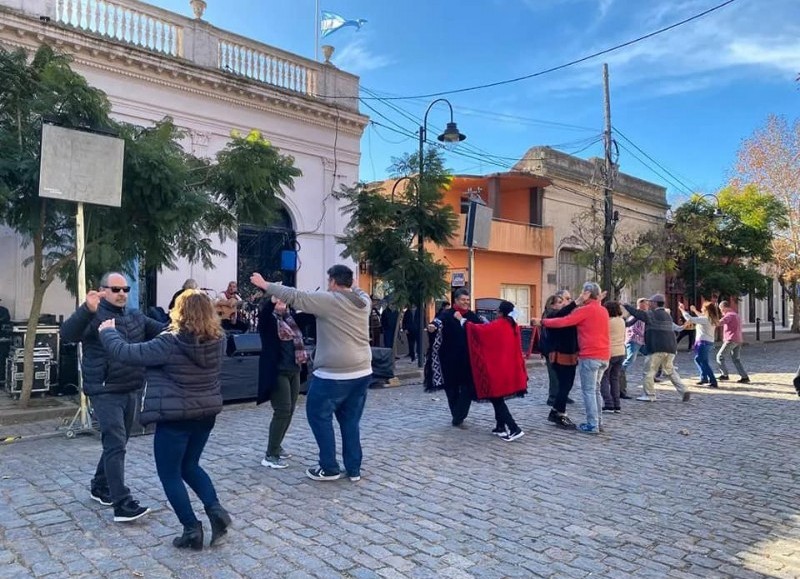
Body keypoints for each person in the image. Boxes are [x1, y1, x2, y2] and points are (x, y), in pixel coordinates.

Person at [98, 290, 230, 550]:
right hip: (205, 415)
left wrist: (107, 332)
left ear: (178, 312)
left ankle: (191, 528)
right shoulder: (219, 339)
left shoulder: (170, 342)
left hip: (175, 418)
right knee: (190, 465)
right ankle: (216, 512)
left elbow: (126, 353)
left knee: (169, 473)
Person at [250, 265, 372, 482]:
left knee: (318, 416)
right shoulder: (364, 301)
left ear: (333, 282)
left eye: (329, 281)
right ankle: (353, 469)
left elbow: (296, 295)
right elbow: (359, 290)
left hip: (334, 373)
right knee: (351, 421)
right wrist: (352, 285)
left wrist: (265, 285)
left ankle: (329, 467)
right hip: (362, 371)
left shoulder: (330, 300)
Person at [60, 272, 164, 522]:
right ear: (103, 290)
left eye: (125, 289)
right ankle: (122, 503)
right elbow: (68, 334)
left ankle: (99, 485)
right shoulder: (93, 314)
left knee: (118, 442)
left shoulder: (135, 315)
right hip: (104, 390)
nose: (121, 294)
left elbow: (162, 331)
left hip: (131, 387)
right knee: (116, 442)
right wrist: (86, 308)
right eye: (115, 289)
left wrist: (189, 322)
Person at [535, 282, 610, 434]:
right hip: (600, 355)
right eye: (565, 299)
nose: (570, 301)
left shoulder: (585, 310)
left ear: (587, 294)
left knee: (588, 391)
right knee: (591, 390)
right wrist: (593, 300)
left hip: (589, 355)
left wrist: (541, 322)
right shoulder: (601, 310)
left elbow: (565, 321)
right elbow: (562, 319)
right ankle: (595, 422)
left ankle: (592, 424)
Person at [256, 296, 307, 469]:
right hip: (278, 371)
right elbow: (264, 316)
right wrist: (271, 299)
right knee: (282, 410)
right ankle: (270, 454)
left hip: (294, 369)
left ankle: (277, 446)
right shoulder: (269, 322)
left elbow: (310, 315)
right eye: (278, 302)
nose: (281, 304)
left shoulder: (291, 319)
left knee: (290, 410)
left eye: (283, 301)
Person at [465, 300, 528, 441]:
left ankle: (514, 428)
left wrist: (463, 321)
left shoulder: (500, 324)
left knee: (496, 398)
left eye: (498, 311)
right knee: (497, 398)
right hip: (508, 368)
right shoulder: (512, 325)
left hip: (497, 369)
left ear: (501, 312)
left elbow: (479, 331)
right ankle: (500, 426)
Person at [424, 288, 483, 427]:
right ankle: (456, 416)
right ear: (456, 300)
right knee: (451, 390)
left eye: (467, 300)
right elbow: (437, 322)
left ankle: (459, 414)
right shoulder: (447, 314)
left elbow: (481, 329)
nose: (466, 303)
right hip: (449, 359)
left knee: (468, 388)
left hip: (467, 359)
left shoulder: (472, 316)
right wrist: (433, 327)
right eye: (463, 300)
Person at [623, 294, 690, 402]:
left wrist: (625, 305)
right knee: (670, 371)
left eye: (651, 302)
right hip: (671, 348)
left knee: (648, 372)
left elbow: (637, 313)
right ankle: (683, 390)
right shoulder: (667, 316)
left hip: (656, 347)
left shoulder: (651, 314)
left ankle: (649, 395)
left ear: (655, 303)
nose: (649, 304)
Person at [539, 293, 579, 429]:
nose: (563, 303)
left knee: (566, 385)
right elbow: (562, 314)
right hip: (559, 355)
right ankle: (559, 413)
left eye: (564, 301)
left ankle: (556, 411)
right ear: (552, 305)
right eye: (560, 301)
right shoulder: (551, 315)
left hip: (569, 354)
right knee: (564, 386)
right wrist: (576, 302)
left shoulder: (564, 315)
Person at [679, 301, 721, 388]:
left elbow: (690, 319)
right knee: (699, 360)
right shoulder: (710, 318)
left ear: (706, 310)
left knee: (703, 361)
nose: (701, 309)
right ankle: (704, 378)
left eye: (703, 308)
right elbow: (700, 316)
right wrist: (694, 310)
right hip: (708, 342)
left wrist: (682, 310)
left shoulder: (705, 319)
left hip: (703, 342)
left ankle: (713, 381)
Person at [600, 301, 626, 413]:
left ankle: (608, 403)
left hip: (609, 352)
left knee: (604, 378)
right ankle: (617, 404)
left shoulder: (607, 322)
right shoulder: (621, 320)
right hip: (621, 351)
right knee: (614, 378)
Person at [716, 301, 750, 384]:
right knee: (736, 359)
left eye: (721, 309)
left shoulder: (729, 315)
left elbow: (719, 323)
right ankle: (744, 377)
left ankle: (724, 375)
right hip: (738, 339)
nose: (721, 311)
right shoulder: (736, 314)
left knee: (720, 356)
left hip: (731, 339)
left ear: (724, 308)